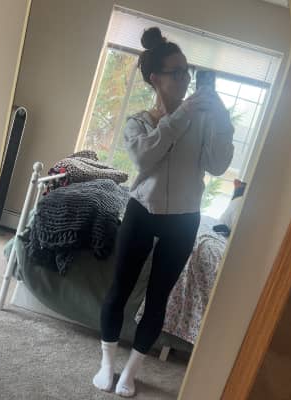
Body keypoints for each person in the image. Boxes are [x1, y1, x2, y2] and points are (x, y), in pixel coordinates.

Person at [93, 27, 234, 397]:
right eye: (178, 72)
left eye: (188, 71)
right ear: (156, 78)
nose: (186, 78)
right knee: (119, 290)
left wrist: (221, 119)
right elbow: (144, 158)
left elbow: (218, 165)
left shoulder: (203, 121)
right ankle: (107, 363)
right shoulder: (139, 122)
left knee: (158, 299)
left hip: (184, 218)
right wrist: (181, 115)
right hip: (142, 210)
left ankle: (131, 371)